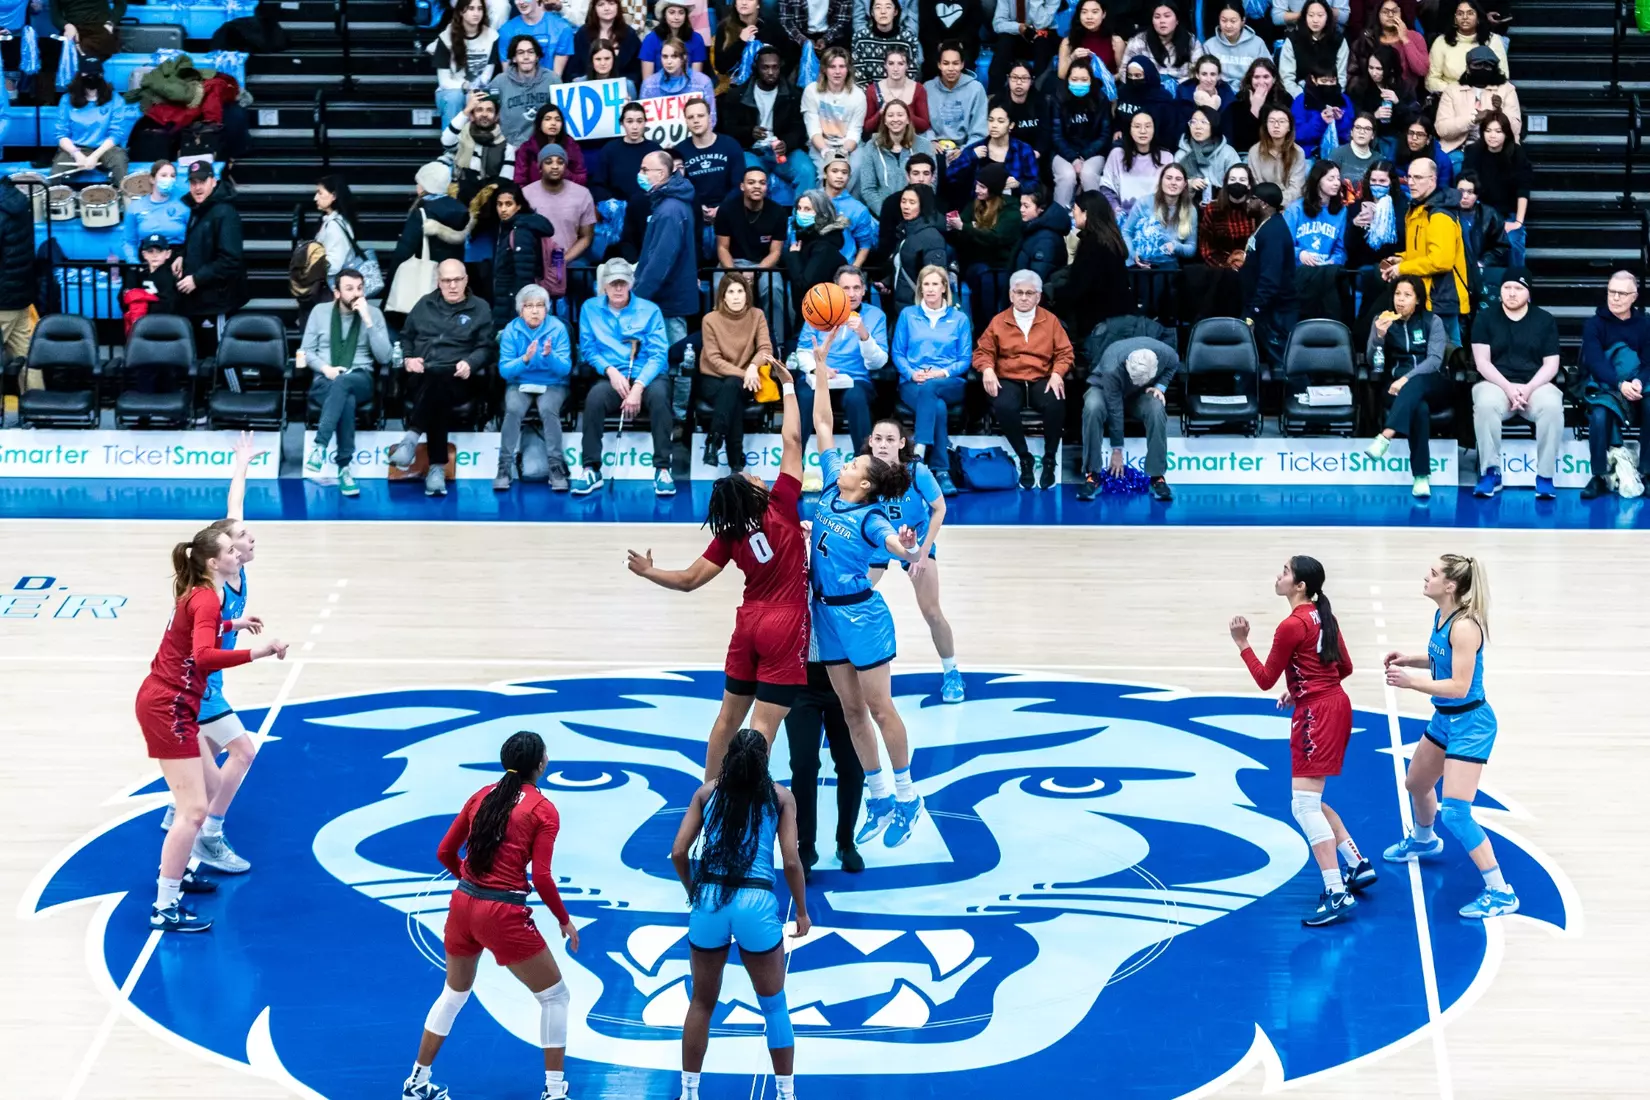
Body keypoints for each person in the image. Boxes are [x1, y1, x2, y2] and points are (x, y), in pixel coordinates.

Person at [629, 363, 806, 775]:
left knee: (727, 719)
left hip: (749, 622)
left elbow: (690, 580)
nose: (756, 473)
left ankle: (709, 792)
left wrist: (648, 572)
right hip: (785, 622)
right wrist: (790, 387)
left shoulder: (728, 532)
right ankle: (747, 801)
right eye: (751, 476)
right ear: (755, 493)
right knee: (762, 727)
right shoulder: (780, 503)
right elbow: (793, 440)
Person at [405, 730, 580, 1100]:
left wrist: (470, 883)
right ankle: (554, 1092)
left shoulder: (481, 795)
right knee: (555, 997)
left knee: (453, 993)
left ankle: (417, 1084)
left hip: (462, 905)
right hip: (501, 913)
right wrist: (564, 920)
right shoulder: (543, 809)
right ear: (541, 764)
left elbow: (444, 852)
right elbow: (543, 877)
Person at [806, 326, 927, 849]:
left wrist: (904, 546)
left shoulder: (873, 515)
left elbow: (894, 546)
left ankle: (907, 795)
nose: (850, 459)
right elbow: (823, 424)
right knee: (851, 711)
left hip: (862, 616)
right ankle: (879, 798)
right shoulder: (835, 483)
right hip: (825, 616)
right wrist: (820, 367)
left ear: (867, 482)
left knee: (880, 709)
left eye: (858, 463)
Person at [139, 524, 286, 932]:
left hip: (176, 701)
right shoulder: (207, 599)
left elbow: (196, 632)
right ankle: (164, 906)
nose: (238, 552)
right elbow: (203, 657)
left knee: (206, 792)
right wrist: (256, 651)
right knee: (195, 810)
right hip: (169, 705)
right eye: (229, 549)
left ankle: (180, 867)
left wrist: (233, 627)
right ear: (212, 562)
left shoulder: (202, 596)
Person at [1229, 556, 1373, 927]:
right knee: (1313, 800)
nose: (1279, 575)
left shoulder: (1291, 625)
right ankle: (1356, 863)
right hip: (1336, 705)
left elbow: (1264, 679)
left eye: (1286, 572)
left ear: (1301, 586)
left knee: (1304, 806)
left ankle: (1336, 890)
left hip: (1316, 716)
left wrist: (1243, 643)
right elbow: (1343, 669)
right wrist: (1301, 688)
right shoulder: (1324, 616)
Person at [669, 728, 810, 1100]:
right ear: (765, 762)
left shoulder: (705, 793)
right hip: (756, 902)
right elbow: (792, 862)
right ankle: (785, 1094)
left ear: (728, 756)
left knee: (701, 1001)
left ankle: (689, 1092)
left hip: (710, 899)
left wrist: (693, 891)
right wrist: (803, 913)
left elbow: (679, 852)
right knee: (774, 1004)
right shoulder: (780, 798)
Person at [1382, 555, 1519, 920]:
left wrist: (1411, 684)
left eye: (1433, 574)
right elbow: (1443, 660)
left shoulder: (1465, 627)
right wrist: (1412, 660)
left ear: (1451, 586)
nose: (1425, 578)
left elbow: (1459, 686)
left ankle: (1501, 892)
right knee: (1416, 782)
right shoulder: (1441, 617)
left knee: (1457, 812)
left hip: (1470, 723)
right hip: (1445, 719)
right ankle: (1425, 841)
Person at [864, 415, 965, 700]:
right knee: (847, 601)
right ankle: (841, 674)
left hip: (915, 542)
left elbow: (940, 508)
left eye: (890, 440)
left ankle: (952, 671)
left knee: (931, 611)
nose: (883, 445)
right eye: (878, 439)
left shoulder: (917, 471)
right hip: (878, 543)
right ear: (870, 442)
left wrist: (921, 552)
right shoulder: (863, 471)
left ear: (901, 443)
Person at [391, 260, 497, 496]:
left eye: (457, 280)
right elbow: (406, 337)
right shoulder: (424, 304)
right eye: (446, 280)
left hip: (460, 377)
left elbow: (487, 348)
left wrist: (471, 362)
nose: (452, 285)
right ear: (438, 281)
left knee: (439, 382)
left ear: (466, 280)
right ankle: (436, 469)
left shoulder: (479, 308)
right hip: (422, 374)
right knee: (435, 385)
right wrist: (408, 358)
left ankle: (412, 438)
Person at [573, 258, 673, 496]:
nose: (618, 288)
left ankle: (662, 469)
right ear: (604, 285)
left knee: (660, 398)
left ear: (631, 284)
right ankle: (591, 469)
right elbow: (589, 350)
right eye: (613, 283)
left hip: (647, 375)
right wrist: (610, 371)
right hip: (612, 374)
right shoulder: (590, 308)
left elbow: (658, 355)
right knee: (595, 398)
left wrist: (638, 387)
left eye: (623, 283)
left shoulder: (650, 310)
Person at [975, 269, 1072, 490]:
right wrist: (988, 369)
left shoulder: (1051, 321)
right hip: (1009, 377)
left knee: (1056, 402)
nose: (1024, 297)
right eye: (1019, 292)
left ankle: (1049, 459)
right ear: (1011, 295)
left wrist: (1058, 373)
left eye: (1030, 293)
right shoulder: (999, 321)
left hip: (1042, 376)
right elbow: (982, 352)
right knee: (1003, 405)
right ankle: (1024, 458)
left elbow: (1065, 353)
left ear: (1038, 296)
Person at [1469, 268, 1562, 499]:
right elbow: (1482, 363)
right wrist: (1509, 389)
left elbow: (1551, 365)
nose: (1512, 293)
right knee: (1485, 405)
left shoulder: (1544, 319)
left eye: (1518, 288)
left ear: (1528, 293)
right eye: (1507, 288)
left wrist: (1528, 388)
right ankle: (1490, 472)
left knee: (1552, 406)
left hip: (1535, 384)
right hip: (1496, 383)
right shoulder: (1485, 317)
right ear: (1500, 291)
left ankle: (1545, 476)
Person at [300, 271, 393, 497]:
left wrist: (369, 322)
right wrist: (326, 369)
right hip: (325, 378)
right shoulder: (319, 312)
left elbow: (385, 357)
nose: (356, 293)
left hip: (360, 377)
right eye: (349, 288)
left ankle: (319, 446)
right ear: (337, 293)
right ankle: (344, 468)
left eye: (360, 288)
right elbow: (306, 352)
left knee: (345, 385)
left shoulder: (374, 314)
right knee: (345, 398)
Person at [1363, 275, 1449, 497]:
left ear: (1418, 300)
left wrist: (1406, 379)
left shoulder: (1433, 322)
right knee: (1418, 409)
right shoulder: (1382, 320)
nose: (1400, 300)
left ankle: (1385, 436)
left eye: (1407, 295)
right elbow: (1372, 360)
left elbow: (1434, 361)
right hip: (1394, 388)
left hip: (1431, 383)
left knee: (1417, 384)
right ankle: (1421, 477)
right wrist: (1379, 338)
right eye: (1397, 294)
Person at [891, 265, 969, 493]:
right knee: (938, 407)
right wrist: (911, 373)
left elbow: (964, 360)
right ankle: (942, 471)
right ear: (920, 288)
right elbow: (897, 353)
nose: (931, 289)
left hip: (949, 381)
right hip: (912, 382)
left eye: (936, 284)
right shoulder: (908, 315)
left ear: (944, 287)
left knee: (933, 389)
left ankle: (919, 452)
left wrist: (940, 373)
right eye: (926, 284)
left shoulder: (959, 319)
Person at [794, 264, 886, 455]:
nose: (852, 294)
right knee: (804, 396)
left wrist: (864, 334)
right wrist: (817, 369)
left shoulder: (876, 316)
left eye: (856, 288)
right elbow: (802, 351)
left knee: (856, 398)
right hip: (819, 378)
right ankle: (793, 466)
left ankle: (864, 464)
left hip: (855, 380)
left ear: (864, 290)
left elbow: (878, 363)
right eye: (846, 288)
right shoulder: (818, 310)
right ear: (836, 289)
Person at [784, 661, 865, 875]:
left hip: (845, 677)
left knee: (852, 766)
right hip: (800, 677)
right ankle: (805, 846)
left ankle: (846, 842)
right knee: (803, 765)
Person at [1381, 157, 1467, 343]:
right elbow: (1421, 251)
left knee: (1449, 354)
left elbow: (1440, 261)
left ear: (1432, 180)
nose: (1411, 182)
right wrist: (1402, 260)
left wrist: (1402, 269)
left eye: (1418, 177)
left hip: (1441, 296)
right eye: (1409, 177)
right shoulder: (1419, 207)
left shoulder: (1439, 214)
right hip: (1426, 293)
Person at [495, 284, 574, 490]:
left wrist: (550, 356)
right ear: (520, 310)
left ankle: (556, 467)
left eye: (540, 305)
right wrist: (525, 359)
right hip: (519, 382)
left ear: (547, 309)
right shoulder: (511, 330)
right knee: (513, 410)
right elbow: (505, 370)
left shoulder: (557, 328)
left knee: (548, 410)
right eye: (529, 306)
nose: (535, 310)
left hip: (553, 383)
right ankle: (503, 467)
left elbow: (565, 369)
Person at [1579, 272, 1650, 499]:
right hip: (1607, 385)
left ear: (1634, 297)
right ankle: (1599, 475)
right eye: (1611, 292)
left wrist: (1639, 381)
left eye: (1622, 293)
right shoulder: (1594, 325)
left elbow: (1649, 361)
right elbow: (1595, 362)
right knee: (1599, 414)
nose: (1615, 297)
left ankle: (1647, 472)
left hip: (1638, 384)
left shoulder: (1645, 325)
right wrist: (1620, 384)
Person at [1080, 339, 1178, 502]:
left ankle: (1157, 475)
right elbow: (1115, 408)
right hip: (1105, 389)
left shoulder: (1165, 353)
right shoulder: (1112, 364)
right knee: (1092, 407)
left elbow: (1173, 364)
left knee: (1156, 407)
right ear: (1127, 363)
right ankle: (1093, 474)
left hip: (1139, 394)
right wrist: (1117, 449)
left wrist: (1160, 387)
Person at [696, 274, 777, 471]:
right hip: (713, 379)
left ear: (747, 294)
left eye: (740, 291)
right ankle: (735, 463)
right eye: (730, 292)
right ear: (722, 296)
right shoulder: (710, 320)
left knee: (732, 388)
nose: (736, 297)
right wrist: (745, 373)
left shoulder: (756, 315)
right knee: (733, 394)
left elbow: (766, 349)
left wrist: (751, 367)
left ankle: (714, 440)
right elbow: (714, 360)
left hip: (747, 380)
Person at [717, 45, 817, 204]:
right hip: (751, 151)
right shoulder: (737, 95)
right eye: (765, 67)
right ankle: (753, 223)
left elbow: (799, 128)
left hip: (782, 152)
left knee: (807, 171)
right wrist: (749, 132)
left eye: (774, 67)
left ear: (780, 67)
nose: (770, 72)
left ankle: (800, 221)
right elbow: (728, 129)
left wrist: (786, 143)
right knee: (751, 179)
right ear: (757, 68)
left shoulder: (793, 95)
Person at [174, 162, 247, 357]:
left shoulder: (225, 212)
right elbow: (199, 243)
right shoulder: (199, 209)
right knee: (204, 361)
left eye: (202, 181)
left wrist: (197, 279)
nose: (197, 187)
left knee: (224, 358)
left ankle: (234, 390)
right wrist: (182, 255)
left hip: (218, 301)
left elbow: (231, 259)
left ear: (213, 181)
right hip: (201, 301)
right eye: (192, 182)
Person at [630, 150, 699, 347]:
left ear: (661, 174)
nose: (640, 174)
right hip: (668, 298)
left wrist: (639, 295)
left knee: (675, 363)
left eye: (645, 169)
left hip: (669, 300)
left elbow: (661, 259)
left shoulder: (669, 210)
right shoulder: (670, 204)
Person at [948, 162, 1023, 330]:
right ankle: (984, 329)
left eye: (982, 187)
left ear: (994, 188)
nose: (977, 190)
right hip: (977, 263)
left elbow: (996, 238)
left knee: (999, 280)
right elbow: (963, 234)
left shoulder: (1011, 210)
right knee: (985, 277)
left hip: (1003, 264)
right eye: (977, 185)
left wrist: (967, 228)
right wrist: (958, 227)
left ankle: (1000, 329)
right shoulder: (974, 204)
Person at [1051, 191, 1133, 341]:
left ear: (1086, 213)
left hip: (1097, 322)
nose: (1073, 213)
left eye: (1075, 209)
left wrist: (1054, 296)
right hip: (1112, 319)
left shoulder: (1093, 244)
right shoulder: (1109, 239)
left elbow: (1080, 285)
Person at [587, 102, 662, 261]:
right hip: (618, 215)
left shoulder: (654, 149)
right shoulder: (610, 149)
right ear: (622, 123)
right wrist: (612, 205)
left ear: (645, 123)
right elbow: (598, 184)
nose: (635, 126)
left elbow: (663, 181)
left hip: (648, 212)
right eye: (630, 121)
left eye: (639, 121)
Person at [1460, 111, 1531, 270]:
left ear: (1506, 133)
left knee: (1513, 242)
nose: (1493, 136)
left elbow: (1523, 189)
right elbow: (1466, 183)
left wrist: (1518, 222)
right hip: (1480, 212)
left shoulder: (1517, 153)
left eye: (1498, 131)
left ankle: (1517, 286)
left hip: (1508, 215)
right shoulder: (1473, 152)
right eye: (1488, 131)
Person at [388, 162, 471, 296]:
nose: (417, 186)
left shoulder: (422, 212)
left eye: (420, 182)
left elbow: (404, 251)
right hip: (452, 281)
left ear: (427, 185)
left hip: (424, 281)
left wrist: (390, 283)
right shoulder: (461, 209)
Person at [677, 97, 747, 256]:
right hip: (695, 215)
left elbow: (739, 184)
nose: (696, 121)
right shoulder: (680, 150)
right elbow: (680, 187)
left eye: (700, 116)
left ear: (710, 117)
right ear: (686, 121)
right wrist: (697, 207)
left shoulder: (730, 145)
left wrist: (721, 209)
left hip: (728, 213)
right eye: (690, 117)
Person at [1241, 181, 1298, 365]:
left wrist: (1253, 311)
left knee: (1283, 367)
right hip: (1268, 312)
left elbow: (1270, 278)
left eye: (1253, 199)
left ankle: (1296, 394)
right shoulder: (1267, 225)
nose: (1248, 202)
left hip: (1275, 315)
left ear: (1264, 203)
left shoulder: (1273, 232)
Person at [488, 180, 556, 328]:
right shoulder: (508, 227)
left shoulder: (521, 231)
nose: (503, 209)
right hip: (508, 299)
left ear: (518, 206)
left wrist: (519, 308)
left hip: (514, 301)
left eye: (508, 204)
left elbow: (524, 274)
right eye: (499, 204)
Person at [1286, 160, 1348, 319]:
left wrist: (1334, 261)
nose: (1336, 183)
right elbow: (1284, 244)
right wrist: (1299, 254)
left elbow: (1341, 249)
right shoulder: (1296, 209)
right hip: (1300, 273)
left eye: (1338, 179)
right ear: (1317, 180)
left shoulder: (1342, 211)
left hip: (1327, 272)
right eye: (1330, 178)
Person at [1049, 55, 1111, 210]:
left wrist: (1084, 156)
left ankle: (1095, 220)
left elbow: (1104, 134)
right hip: (1063, 151)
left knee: (1089, 174)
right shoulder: (1058, 97)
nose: (1079, 83)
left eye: (1084, 80)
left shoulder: (1101, 99)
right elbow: (1056, 135)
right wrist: (1073, 158)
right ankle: (1058, 220)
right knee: (1067, 176)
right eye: (1074, 79)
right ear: (1068, 80)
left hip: (1092, 151)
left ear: (1091, 80)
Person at [522, 142, 597, 270]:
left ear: (566, 167)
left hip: (571, 260)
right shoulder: (525, 195)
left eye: (560, 162)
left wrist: (563, 260)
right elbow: (521, 235)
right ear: (540, 167)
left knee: (582, 278)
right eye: (549, 162)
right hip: (534, 262)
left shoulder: (582, 194)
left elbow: (586, 236)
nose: (555, 166)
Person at [714, 165, 787, 295]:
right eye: (751, 182)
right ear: (742, 186)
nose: (757, 186)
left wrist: (756, 271)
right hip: (733, 262)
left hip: (764, 263)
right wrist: (734, 274)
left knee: (774, 289)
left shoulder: (778, 212)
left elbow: (775, 252)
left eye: (762, 183)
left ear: (766, 187)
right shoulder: (726, 210)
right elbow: (722, 248)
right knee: (718, 286)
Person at [856, 99, 934, 220]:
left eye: (900, 115)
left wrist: (914, 213)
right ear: (885, 121)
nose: (895, 119)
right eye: (890, 115)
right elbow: (868, 189)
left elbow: (931, 184)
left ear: (908, 119)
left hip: (918, 215)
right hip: (884, 214)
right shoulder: (871, 146)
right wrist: (886, 213)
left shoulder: (924, 145)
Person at [52, 69, 132, 183]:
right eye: (86, 73)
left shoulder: (115, 99)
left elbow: (116, 134)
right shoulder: (66, 99)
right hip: (76, 147)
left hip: (106, 148)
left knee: (120, 163)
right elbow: (61, 134)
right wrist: (76, 154)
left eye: (96, 73)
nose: (91, 76)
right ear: (79, 75)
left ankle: (124, 197)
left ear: (102, 75)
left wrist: (94, 156)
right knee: (56, 175)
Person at [782, 189, 850, 319]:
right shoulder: (806, 239)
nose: (801, 213)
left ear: (822, 214)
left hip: (821, 317)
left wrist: (793, 256)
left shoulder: (824, 247)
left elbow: (805, 285)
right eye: (799, 208)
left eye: (808, 209)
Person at [950, 104, 1041, 199]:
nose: (994, 125)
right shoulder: (975, 148)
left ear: (1011, 125)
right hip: (979, 206)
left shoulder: (1023, 150)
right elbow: (951, 175)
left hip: (1011, 206)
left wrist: (1019, 184)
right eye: (990, 120)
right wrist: (971, 156)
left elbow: (1035, 183)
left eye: (1000, 121)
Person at [884, 183, 949, 314]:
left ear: (923, 205)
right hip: (903, 306)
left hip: (919, 310)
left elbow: (935, 279)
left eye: (912, 202)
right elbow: (906, 264)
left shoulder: (931, 237)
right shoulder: (905, 230)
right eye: (904, 201)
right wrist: (887, 281)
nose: (906, 206)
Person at [430, 0, 499, 122]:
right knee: (455, 97)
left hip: (479, 87)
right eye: (471, 8)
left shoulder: (492, 36)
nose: (476, 13)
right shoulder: (446, 37)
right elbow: (444, 81)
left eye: (480, 9)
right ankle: (451, 140)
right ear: (461, 11)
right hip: (450, 91)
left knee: (481, 99)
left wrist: (473, 91)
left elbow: (486, 76)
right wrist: (464, 86)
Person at [801, 46, 867, 170]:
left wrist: (843, 153)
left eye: (842, 67)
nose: (837, 72)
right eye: (832, 67)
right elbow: (813, 130)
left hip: (849, 145)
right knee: (826, 172)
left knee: (856, 168)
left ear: (848, 69)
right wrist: (826, 152)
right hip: (821, 144)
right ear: (825, 69)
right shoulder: (811, 91)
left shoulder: (858, 95)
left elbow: (855, 132)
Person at [1099, 111, 1174, 219]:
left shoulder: (1166, 157)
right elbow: (1107, 189)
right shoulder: (1117, 155)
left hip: (1156, 219)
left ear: (1154, 129)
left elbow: (1171, 193)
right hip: (1122, 218)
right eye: (1137, 126)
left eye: (1148, 126)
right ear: (1129, 129)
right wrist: (1117, 212)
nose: (1143, 131)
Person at [1123, 162, 1198, 269]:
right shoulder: (1143, 202)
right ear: (1161, 180)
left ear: (1185, 184)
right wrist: (1132, 254)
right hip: (1140, 265)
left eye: (1178, 179)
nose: (1173, 182)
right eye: (1169, 178)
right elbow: (1126, 232)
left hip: (1170, 267)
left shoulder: (1190, 210)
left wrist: (1176, 246)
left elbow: (1191, 248)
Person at [489, 36, 558, 151]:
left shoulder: (552, 80)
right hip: (510, 147)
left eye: (530, 52)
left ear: (537, 57)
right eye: (520, 53)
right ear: (514, 58)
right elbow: (484, 104)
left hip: (544, 148)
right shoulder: (500, 81)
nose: (526, 57)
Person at [1426, 0, 1507, 94]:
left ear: (1478, 18)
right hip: (1450, 97)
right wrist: (1458, 93)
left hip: (1486, 97)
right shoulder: (1441, 41)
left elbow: (1503, 75)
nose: (1465, 17)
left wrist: (1478, 94)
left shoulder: (1493, 40)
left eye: (1470, 13)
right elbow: (1432, 79)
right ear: (1455, 19)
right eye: (1460, 14)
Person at [925, 40, 988, 150]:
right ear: (939, 65)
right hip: (935, 148)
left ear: (962, 64)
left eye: (955, 63)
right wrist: (931, 141)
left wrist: (964, 150)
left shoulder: (976, 89)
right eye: (946, 63)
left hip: (966, 148)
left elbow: (979, 131)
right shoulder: (927, 88)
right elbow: (923, 124)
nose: (950, 69)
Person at [123, 162, 190, 264]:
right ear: (152, 179)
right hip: (148, 258)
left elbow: (194, 239)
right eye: (164, 175)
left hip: (177, 260)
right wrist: (134, 265)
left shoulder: (184, 206)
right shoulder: (136, 207)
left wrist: (184, 258)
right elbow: (129, 241)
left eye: (172, 176)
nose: (169, 179)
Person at [817, 152, 877, 266]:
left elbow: (865, 245)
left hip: (843, 270)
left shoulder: (858, 209)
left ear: (849, 177)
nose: (840, 176)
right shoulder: (809, 201)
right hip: (812, 269)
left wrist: (853, 270)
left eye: (844, 172)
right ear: (825, 174)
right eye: (834, 171)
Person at [987, 0, 1060, 94]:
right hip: (1017, 34)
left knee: (1042, 43)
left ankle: (1038, 95)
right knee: (1004, 42)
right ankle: (994, 96)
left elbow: (1040, 23)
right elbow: (998, 24)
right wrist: (1019, 28)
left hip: (1044, 34)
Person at [714, 0, 788, 92]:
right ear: (735, 4)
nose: (744, 2)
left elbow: (787, 57)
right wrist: (740, 41)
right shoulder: (724, 28)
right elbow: (721, 67)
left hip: (769, 86)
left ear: (758, 4)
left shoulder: (771, 27)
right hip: (735, 90)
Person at [1278, 0, 1347, 97]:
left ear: (1328, 17)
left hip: (1331, 96)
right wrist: (1303, 98)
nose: (1315, 20)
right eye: (1311, 15)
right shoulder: (1293, 40)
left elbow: (1341, 78)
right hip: (1300, 96)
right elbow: (1287, 79)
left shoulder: (1338, 40)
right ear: (1304, 17)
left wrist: (1332, 97)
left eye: (1320, 15)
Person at [638, 38, 716, 123]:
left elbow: (711, 118)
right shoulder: (649, 84)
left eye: (674, 56)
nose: (669, 61)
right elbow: (642, 120)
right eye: (665, 56)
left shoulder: (703, 82)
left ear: (684, 58)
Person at [567, 0, 642, 82]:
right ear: (594, 8)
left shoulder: (630, 34)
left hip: (622, 86)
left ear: (618, 6)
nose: (607, 8)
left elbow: (636, 70)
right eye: (601, 4)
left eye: (611, 3)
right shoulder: (582, 34)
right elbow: (574, 69)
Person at [514, 103, 588, 186]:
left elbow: (582, 178)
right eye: (548, 119)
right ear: (539, 123)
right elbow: (520, 182)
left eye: (557, 119)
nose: (553, 123)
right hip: (535, 196)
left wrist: (566, 174)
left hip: (567, 194)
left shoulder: (571, 145)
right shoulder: (526, 148)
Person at [1178, 105, 1239, 205]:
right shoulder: (1182, 154)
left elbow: (1238, 181)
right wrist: (1190, 184)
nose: (1198, 127)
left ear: (1213, 125)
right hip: (1189, 204)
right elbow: (1173, 184)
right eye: (1193, 122)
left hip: (1222, 203)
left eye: (1203, 122)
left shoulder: (1227, 152)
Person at [1247, 106, 1306, 207]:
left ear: (1289, 127)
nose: (1276, 125)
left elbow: (1297, 188)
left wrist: (1278, 203)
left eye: (1282, 121)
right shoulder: (1255, 151)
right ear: (1266, 125)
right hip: (1262, 206)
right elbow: (1254, 184)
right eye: (1272, 121)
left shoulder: (1298, 152)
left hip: (1289, 205)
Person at [1121, 2, 1195, 84]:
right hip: (1148, 92)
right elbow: (1124, 72)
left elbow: (1199, 71)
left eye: (1167, 16)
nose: (1162, 21)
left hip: (1183, 92)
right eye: (1157, 17)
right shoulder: (1138, 41)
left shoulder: (1191, 41)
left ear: (1177, 20)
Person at [863, 43, 928, 134]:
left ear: (907, 66)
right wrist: (881, 113)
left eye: (901, 64)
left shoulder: (919, 89)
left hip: (910, 141)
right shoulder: (872, 90)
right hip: (882, 141)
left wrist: (906, 112)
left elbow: (924, 126)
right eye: (891, 63)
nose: (895, 68)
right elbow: (867, 128)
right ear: (885, 65)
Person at [1204, 2, 1269, 92]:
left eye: (1233, 21)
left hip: (1250, 91)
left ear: (1243, 21)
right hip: (1218, 93)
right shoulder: (1209, 45)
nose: (1228, 25)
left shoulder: (1258, 44)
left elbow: (1268, 73)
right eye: (1224, 20)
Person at [498, 0, 575, 73]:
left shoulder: (562, 28)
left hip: (548, 83)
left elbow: (556, 76)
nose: (521, 2)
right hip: (518, 83)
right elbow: (507, 73)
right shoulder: (506, 30)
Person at [1231, 56, 1289, 153]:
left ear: (1274, 79)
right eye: (1256, 77)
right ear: (1250, 79)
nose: (1261, 82)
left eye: (1266, 77)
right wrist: (1255, 108)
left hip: (1277, 150)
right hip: (1247, 152)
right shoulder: (1240, 98)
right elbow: (1242, 139)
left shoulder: (1285, 98)